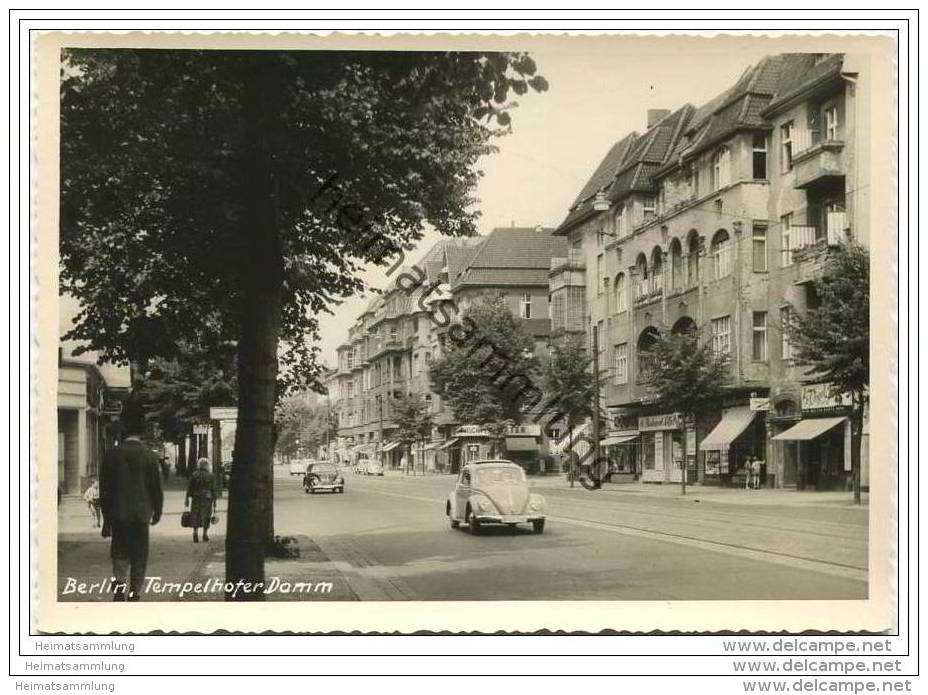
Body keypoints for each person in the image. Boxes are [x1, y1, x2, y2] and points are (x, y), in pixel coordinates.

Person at [99, 399, 164, 601]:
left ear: (123, 430)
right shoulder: (150, 456)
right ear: (142, 430)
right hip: (141, 514)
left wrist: (106, 518)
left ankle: (119, 586)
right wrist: (157, 511)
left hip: (118, 514)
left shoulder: (112, 455)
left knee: (119, 551)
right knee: (139, 554)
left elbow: (105, 490)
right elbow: (157, 488)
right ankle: (135, 591)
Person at [185, 457, 215, 543]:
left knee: (195, 514)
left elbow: (190, 487)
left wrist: (187, 498)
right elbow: (213, 489)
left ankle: (195, 532)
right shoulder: (211, 475)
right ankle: (205, 534)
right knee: (206, 516)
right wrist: (215, 500)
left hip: (196, 497)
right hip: (207, 498)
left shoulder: (195, 474)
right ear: (207, 466)